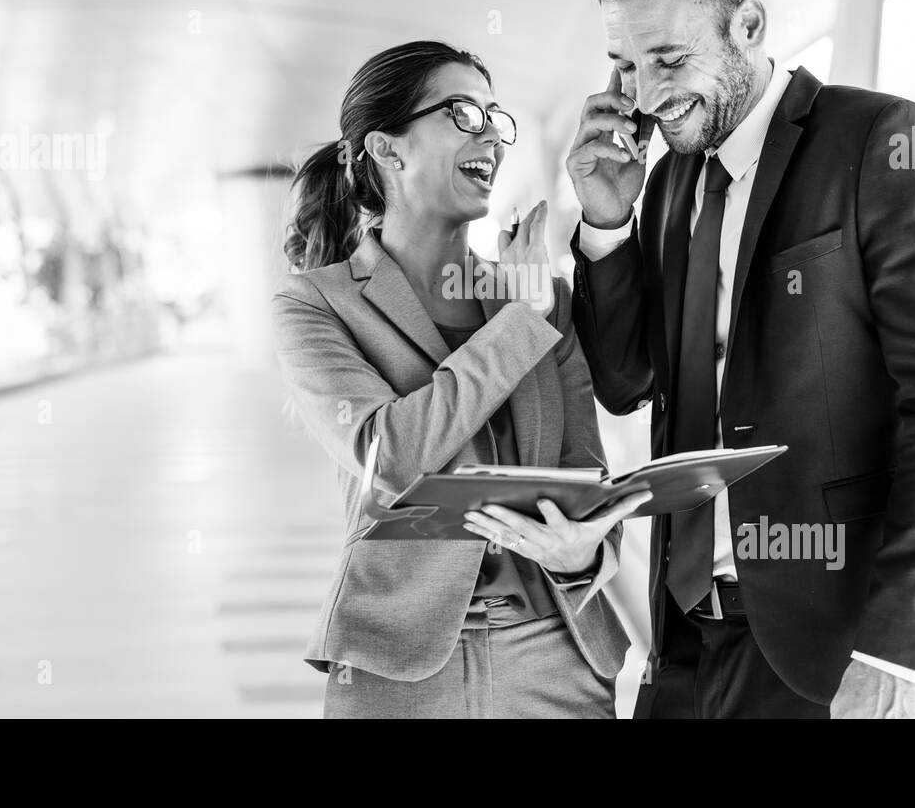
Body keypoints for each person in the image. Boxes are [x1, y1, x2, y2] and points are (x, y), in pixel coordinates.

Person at [565, 0, 915, 718]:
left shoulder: (881, 143)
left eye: (668, 58)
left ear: (750, 23)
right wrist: (604, 222)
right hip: (685, 638)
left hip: (832, 654)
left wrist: (895, 647)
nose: (645, 95)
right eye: (624, 65)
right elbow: (626, 381)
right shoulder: (665, 184)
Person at [273, 40, 648, 718]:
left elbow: (587, 478)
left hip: (557, 660)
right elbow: (389, 455)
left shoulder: (537, 297)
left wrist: (580, 554)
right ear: (387, 150)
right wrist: (519, 320)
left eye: (495, 118)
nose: (492, 138)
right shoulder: (315, 304)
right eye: (462, 114)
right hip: (400, 671)